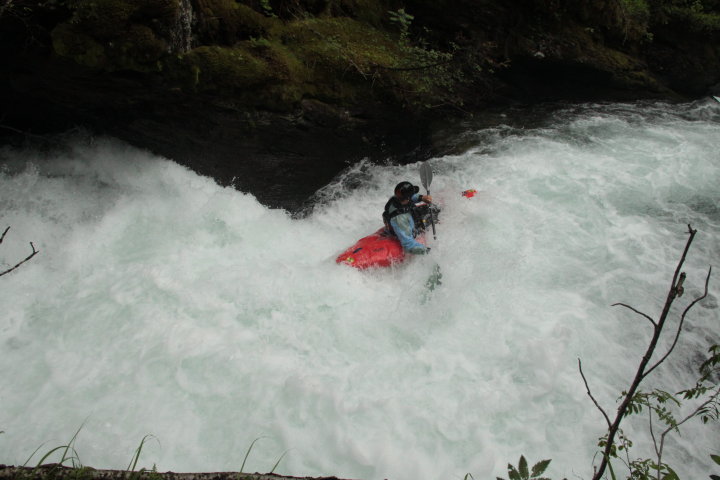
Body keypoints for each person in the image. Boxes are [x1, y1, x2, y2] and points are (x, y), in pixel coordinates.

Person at [383, 181, 433, 254]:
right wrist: (428, 251)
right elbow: (409, 246)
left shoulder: (397, 198)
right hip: (404, 228)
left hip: (407, 219)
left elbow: (412, 197)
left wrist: (422, 198)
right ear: (407, 198)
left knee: (427, 209)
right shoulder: (400, 219)